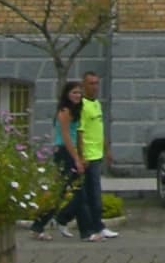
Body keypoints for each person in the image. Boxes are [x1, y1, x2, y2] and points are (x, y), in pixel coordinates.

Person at [28, 81, 86, 240]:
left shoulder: (76, 111)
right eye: (74, 92)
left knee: (72, 191)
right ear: (67, 94)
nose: (77, 96)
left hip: (71, 151)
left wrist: (81, 155)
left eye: (79, 93)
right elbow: (66, 137)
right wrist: (76, 159)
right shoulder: (64, 111)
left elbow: (77, 135)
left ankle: (47, 223)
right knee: (63, 191)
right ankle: (46, 223)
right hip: (64, 152)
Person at [77, 70, 118, 241]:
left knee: (93, 193)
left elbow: (100, 130)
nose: (95, 87)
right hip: (88, 156)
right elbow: (80, 132)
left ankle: (95, 225)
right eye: (91, 83)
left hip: (97, 154)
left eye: (96, 83)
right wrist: (82, 156)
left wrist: (107, 150)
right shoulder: (82, 106)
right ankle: (96, 227)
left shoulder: (96, 104)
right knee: (92, 193)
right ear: (84, 85)